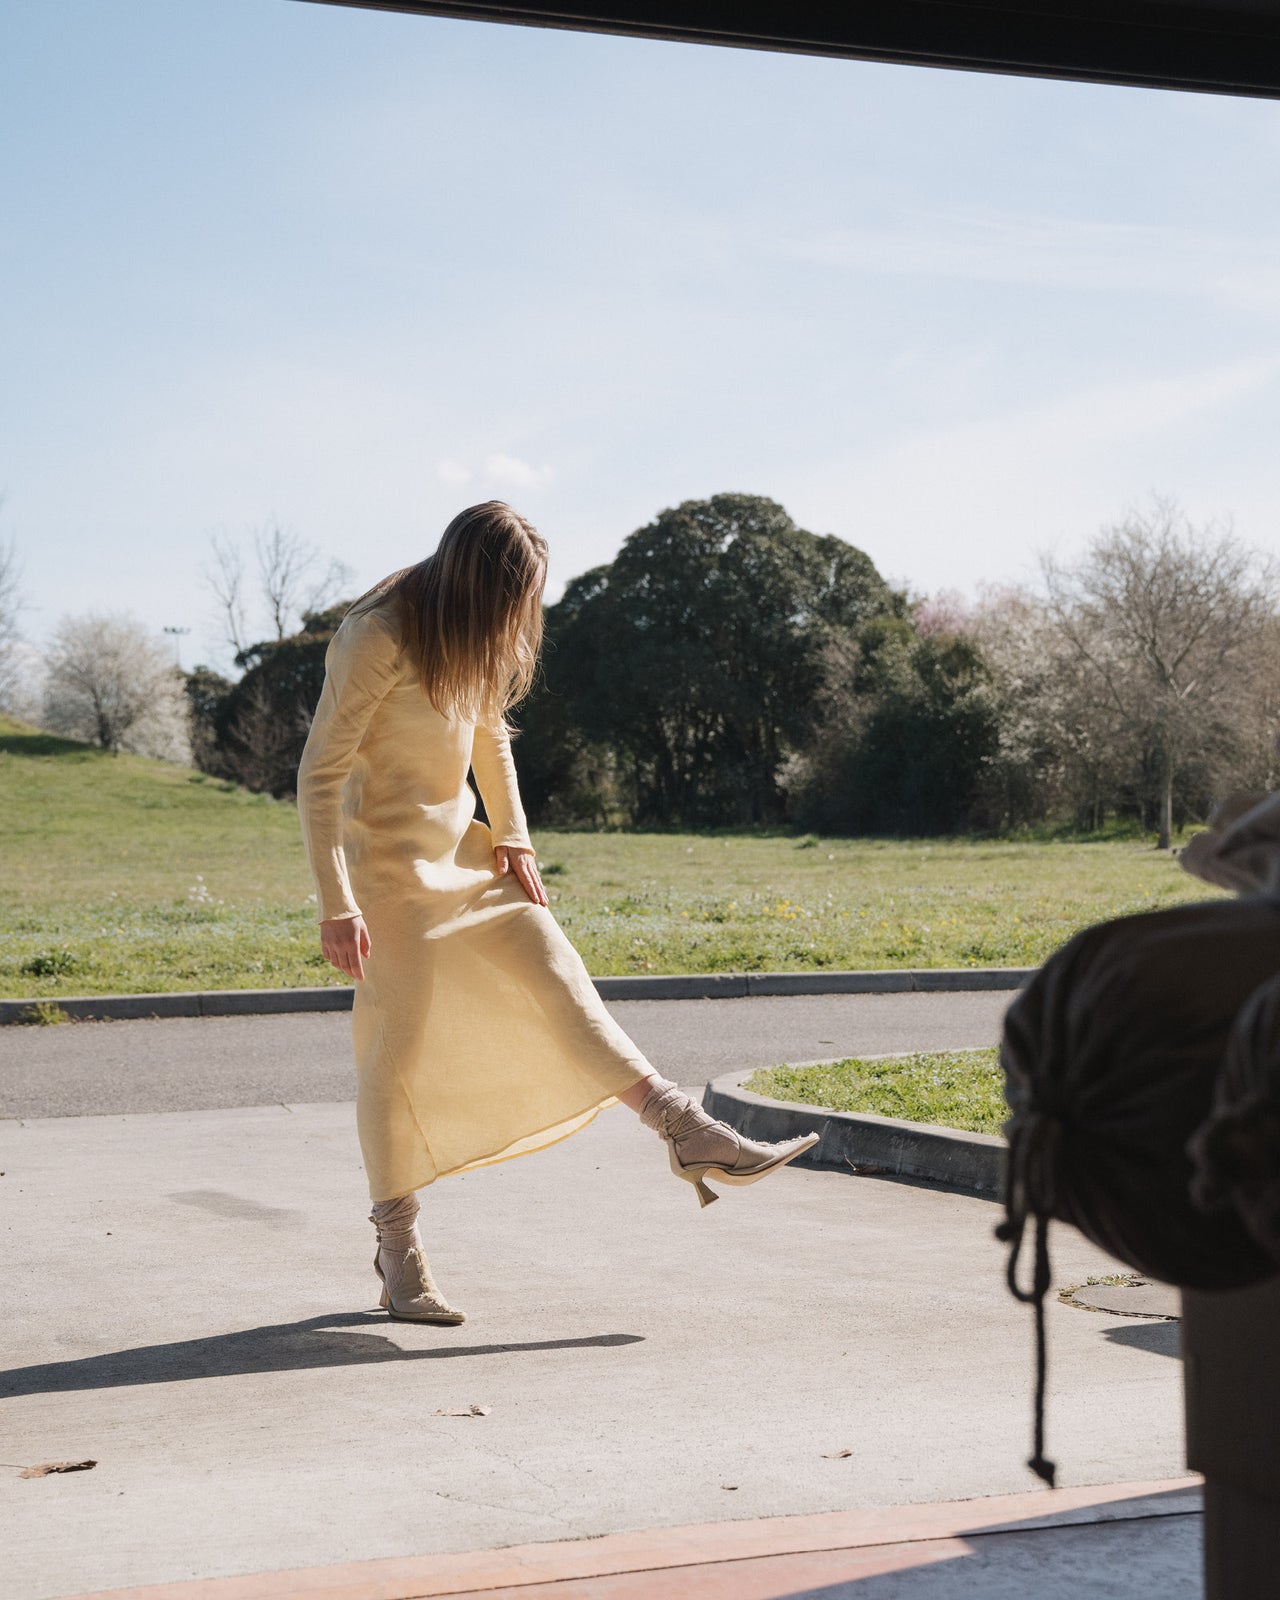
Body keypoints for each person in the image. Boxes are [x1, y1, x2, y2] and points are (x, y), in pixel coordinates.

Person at [297, 501, 817, 1325]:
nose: (523, 617)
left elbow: (487, 732)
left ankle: (688, 1130)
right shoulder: (378, 636)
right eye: (518, 598)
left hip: (464, 855)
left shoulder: (470, 633)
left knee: (558, 973)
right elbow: (320, 772)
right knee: (395, 1056)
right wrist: (336, 902)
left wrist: (515, 838)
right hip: (387, 870)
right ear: (478, 587)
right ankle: (397, 1250)